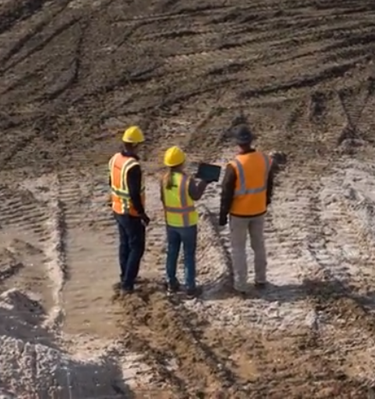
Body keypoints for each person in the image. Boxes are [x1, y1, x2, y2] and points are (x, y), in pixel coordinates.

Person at [218, 125, 275, 294]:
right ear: (251, 141)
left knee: (238, 249)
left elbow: (226, 192)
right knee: (259, 245)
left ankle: (241, 285)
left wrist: (222, 214)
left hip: (239, 213)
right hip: (259, 210)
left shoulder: (234, 165)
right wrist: (265, 202)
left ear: (237, 143)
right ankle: (261, 279)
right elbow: (269, 184)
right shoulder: (265, 160)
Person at [160, 146, 208, 297]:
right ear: (182, 162)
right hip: (187, 224)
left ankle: (171, 283)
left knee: (172, 252)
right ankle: (190, 287)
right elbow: (196, 196)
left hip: (171, 223)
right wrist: (204, 182)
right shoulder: (187, 180)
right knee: (188, 255)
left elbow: (163, 200)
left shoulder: (163, 180)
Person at [108, 125, 149, 294]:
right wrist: (142, 214)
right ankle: (128, 283)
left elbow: (111, 182)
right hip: (130, 212)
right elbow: (134, 194)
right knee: (137, 247)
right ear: (137, 144)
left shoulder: (114, 159)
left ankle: (125, 275)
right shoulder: (133, 166)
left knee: (124, 244)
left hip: (117, 208)